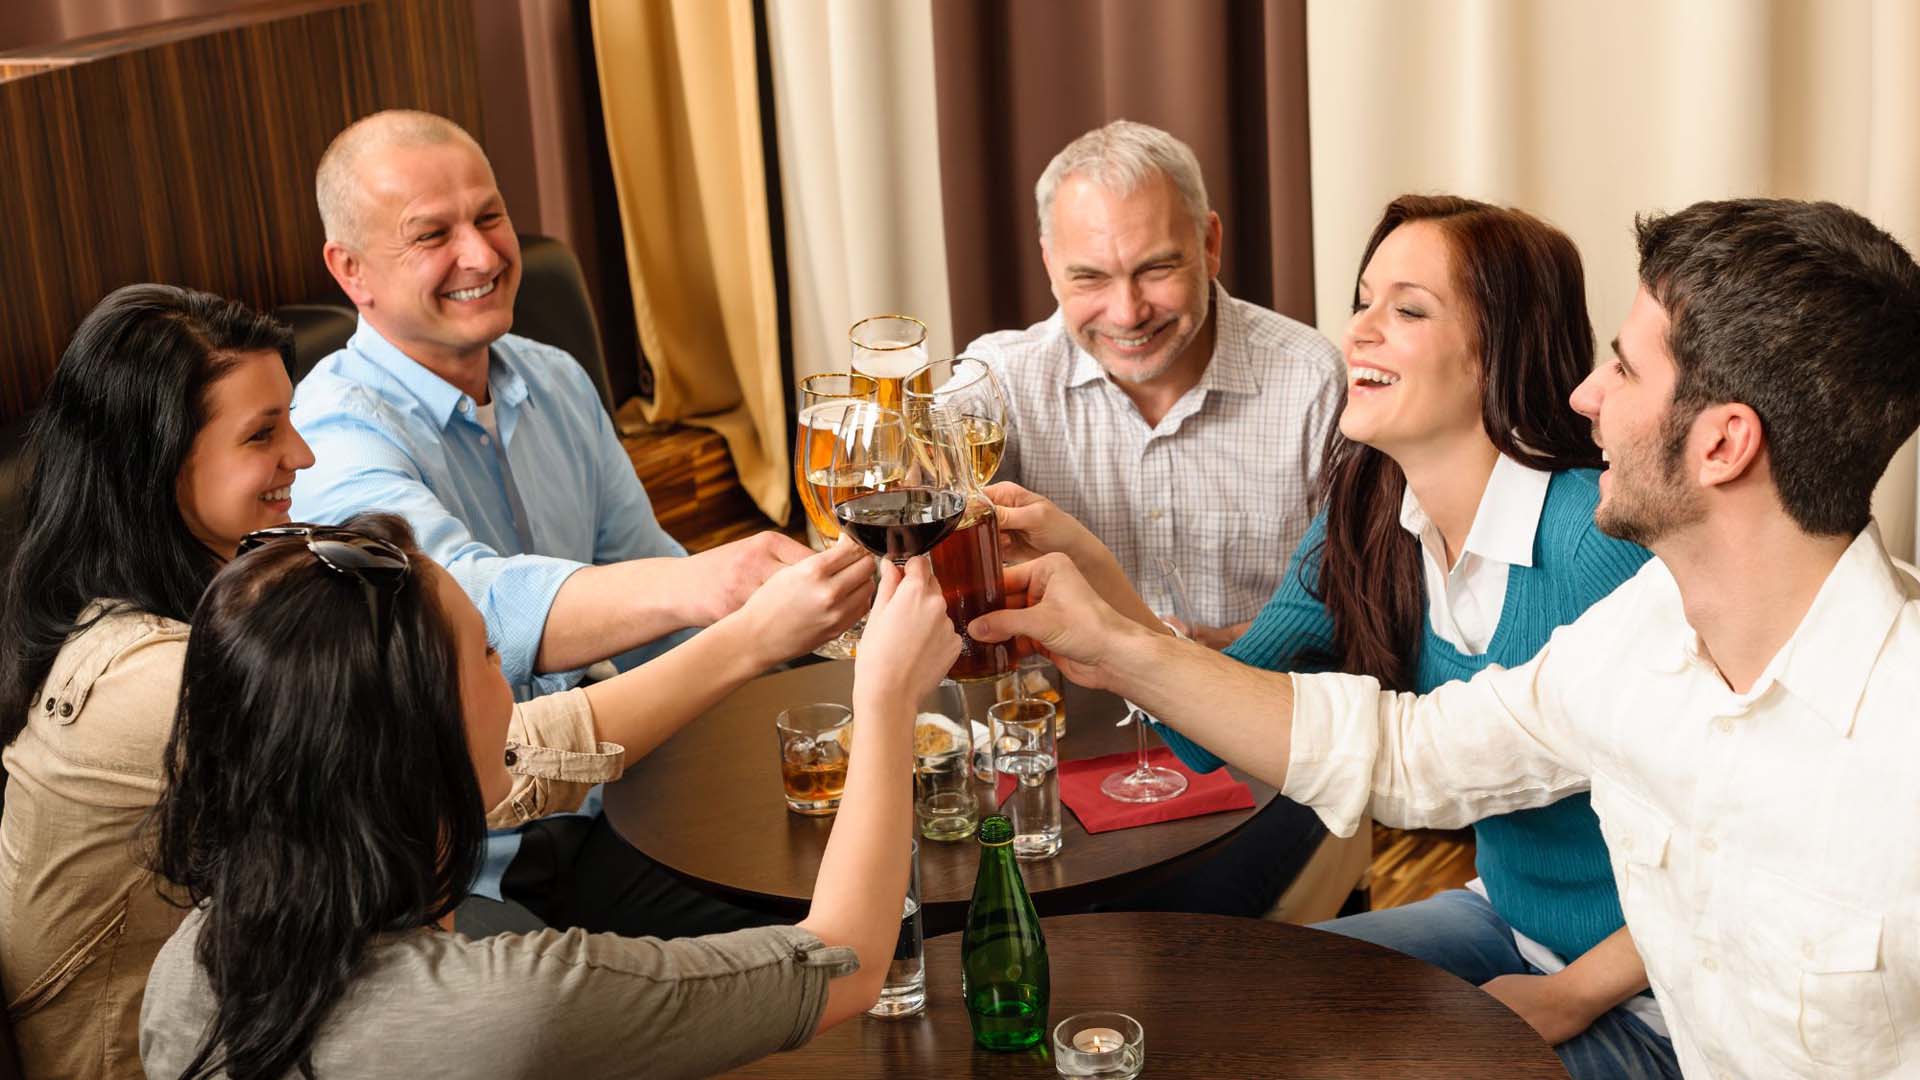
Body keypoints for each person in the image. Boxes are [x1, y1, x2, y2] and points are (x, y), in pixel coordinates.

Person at [971, 198, 1920, 1077]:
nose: (1589, 397)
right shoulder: (1645, 633)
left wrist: (1571, 992)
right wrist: (1109, 620)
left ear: (1722, 444)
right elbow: (1407, 754)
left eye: (1625, 368)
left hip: (1636, 1012)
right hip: (1513, 926)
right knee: (1224, 1007)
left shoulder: (1881, 734)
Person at [290, 109, 871, 935]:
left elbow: (650, 604)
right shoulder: (329, 435)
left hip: (613, 802)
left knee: (874, 887)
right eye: (433, 235)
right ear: (351, 271)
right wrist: (706, 585)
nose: (484, 256)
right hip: (457, 876)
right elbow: (469, 605)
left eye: (491, 216)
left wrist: (830, 672)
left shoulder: (555, 378)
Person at [139, 514, 959, 1079]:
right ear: (421, 746)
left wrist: (748, 638)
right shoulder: (515, 1007)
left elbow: (551, 742)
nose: (516, 690)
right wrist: (885, 698)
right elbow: (845, 963)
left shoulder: (188, 968)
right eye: (493, 659)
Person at [0, 284, 315, 1080]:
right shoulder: (149, 677)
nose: (303, 455)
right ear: (161, 467)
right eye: (262, 434)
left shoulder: (178, 599)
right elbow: (436, 765)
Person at [964, 119, 1345, 648]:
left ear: (1210, 244)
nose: (1127, 313)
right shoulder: (999, 378)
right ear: (1050, 265)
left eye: (1157, 268)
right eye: (1090, 277)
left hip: (1249, 704)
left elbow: (1360, 600)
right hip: (1060, 722)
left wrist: (1202, 655)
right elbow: (913, 468)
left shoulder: (1313, 380)